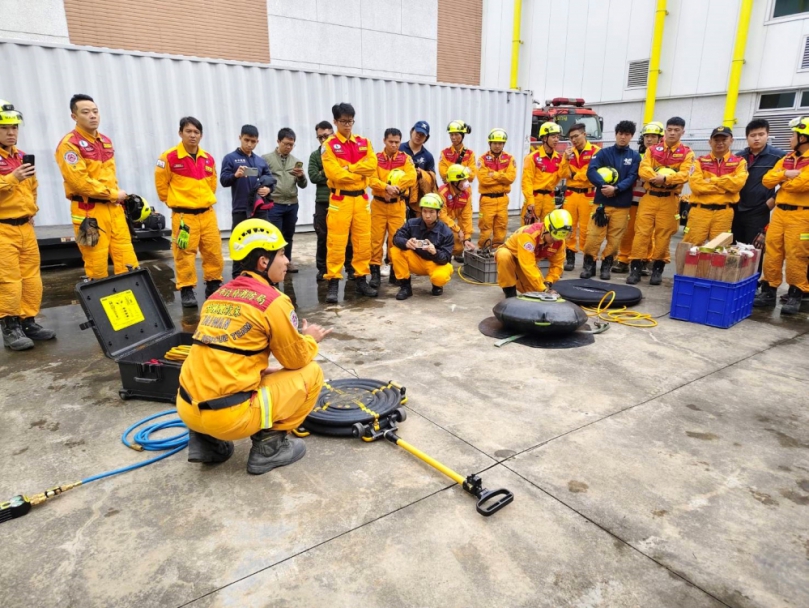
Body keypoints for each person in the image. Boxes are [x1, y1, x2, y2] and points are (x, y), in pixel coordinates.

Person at [176, 219, 329, 475]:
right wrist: (310, 338)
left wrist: (258, 370)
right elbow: (296, 359)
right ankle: (270, 449)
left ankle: (207, 444)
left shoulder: (215, 297)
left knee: (211, 373)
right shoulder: (273, 301)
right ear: (263, 262)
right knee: (312, 373)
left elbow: (223, 354)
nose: (287, 261)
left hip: (186, 409)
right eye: (282, 254)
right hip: (229, 418)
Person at [55, 94, 138, 280]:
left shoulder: (105, 141)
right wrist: (113, 194)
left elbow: (109, 176)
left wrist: (116, 197)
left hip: (114, 209)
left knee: (127, 259)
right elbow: (80, 183)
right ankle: (100, 296)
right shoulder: (69, 144)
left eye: (95, 111)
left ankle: (131, 295)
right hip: (89, 211)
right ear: (74, 116)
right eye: (85, 112)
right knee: (96, 263)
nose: (92, 115)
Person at [0, 100, 55, 351]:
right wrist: (12, 178)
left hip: (25, 228)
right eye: (4, 128)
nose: (11, 132)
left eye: (14, 127)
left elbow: (33, 187)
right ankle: (10, 327)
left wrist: (32, 210)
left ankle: (28, 321)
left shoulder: (21, 157)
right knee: (8, 280)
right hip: (3, 229)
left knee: (32, 278)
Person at [155, 116, 224, 308]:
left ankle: (213, 284)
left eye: (196, 132)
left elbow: (212, 185)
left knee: (213, 251)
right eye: (188, 131)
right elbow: (161, 186)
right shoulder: (168, 158)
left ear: (201, 135)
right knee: (184, 253)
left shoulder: (208, 158)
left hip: (207, 214)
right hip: (184, 217)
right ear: (180, 133)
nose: (193, 135)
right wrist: (176, 203)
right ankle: (186, 289)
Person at [321, 102, 379, 303]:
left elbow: (372, 166)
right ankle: (333, 281)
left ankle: (361, 278)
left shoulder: (364, 142)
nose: (347, 125)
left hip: (361, 199)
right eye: (343, 121)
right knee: (336, 242)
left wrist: (350, 168)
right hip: (340, 199)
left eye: (350, 121)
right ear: (335, 121)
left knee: (363, 241)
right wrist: (359, 173)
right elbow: (334, 174)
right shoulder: (329, 145)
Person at [628, 116, 695, 286]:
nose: (672, 133)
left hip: (670, 199)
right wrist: (656, 178)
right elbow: (643, 169)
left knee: (663, 235)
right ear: (665, 131)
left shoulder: (687, 153)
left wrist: (665, 179)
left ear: (682, 132)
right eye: (670, 129)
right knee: (641, 233)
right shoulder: (652, 150)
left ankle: (657, 269)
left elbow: (685, 174)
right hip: (649, 197)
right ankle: (635, 268)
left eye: (676, 130)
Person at [753, 116, 809, 315]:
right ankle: (769, 290)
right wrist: (785, 175)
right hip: (779, 213)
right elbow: (767, 180)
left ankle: (796, 293)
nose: (789, 139)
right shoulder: (787, 159)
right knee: (772, 251)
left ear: (803, 137)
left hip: (801, 216)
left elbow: (802, 184)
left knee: (796, 254)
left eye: (793, 135)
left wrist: (783, 181)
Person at [582, 121, 641, 280]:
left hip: (622, 205)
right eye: (620, 133)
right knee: (593, 235)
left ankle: (606, 266)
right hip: (601, 203)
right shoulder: (603, 153)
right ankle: (589, 265)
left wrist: (616, 189)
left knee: (615, 239)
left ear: (631, 136)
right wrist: (603, 186)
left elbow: (632, 177)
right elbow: (591, 171)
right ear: (616, 134)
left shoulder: (634, 156)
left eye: (627, 134)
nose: (623, 137)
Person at [220, 125, 275, 279]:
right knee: (240, 244)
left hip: (259, 209)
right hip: (241, 209)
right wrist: (235, 175)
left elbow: (270, 180)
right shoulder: (230, 158)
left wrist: (268, 189)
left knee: (262, 243)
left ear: (257, 141)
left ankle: (260, 276)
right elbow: (223, 180)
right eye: (246, 140)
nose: (249, 144)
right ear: (240, 138)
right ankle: (238, 277)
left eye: (253, 141)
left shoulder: (260, 161)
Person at [613, 122, 664, 274]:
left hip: (650, 200)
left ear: (660, 138)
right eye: (647, 136)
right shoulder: (635, 156)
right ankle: (623, 259)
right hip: (632, 199)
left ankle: (645, 260)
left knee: (647, 233)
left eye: (653, 136)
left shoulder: (662, 159)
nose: (649, 139)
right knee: (628, 231)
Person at [684, 126, 748, 245]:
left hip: (724, 213)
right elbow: (696, 186)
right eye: (716, 140)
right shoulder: (699, 161)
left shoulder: (739, 162)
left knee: (719, 248)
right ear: (710, 142)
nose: (720, 143)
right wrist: (725, 187)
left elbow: (737, 185)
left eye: (724, 139)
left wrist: (712, 180)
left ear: (731, 140)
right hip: (699, 212)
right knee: (691, 247)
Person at [369, 128, 417, 289]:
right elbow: (370, 178)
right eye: (391, 142)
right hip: (378, 205)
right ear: (384, 141)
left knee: (395, 240)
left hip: (397, 205)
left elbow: (411, 177)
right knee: (375, 240)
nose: (394, 145)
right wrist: (385, 187)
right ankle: (375, 272)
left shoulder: (405, 158)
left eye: (397, 142)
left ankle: (394, 272)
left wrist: (396, 188)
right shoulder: (375, 158)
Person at [734, 119, 785, 265]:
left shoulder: (778, 157)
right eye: (753, 135)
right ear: (747, 137)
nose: (757, 138)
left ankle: (753, 278)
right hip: (736, 209)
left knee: (754, 251)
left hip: (759, 211)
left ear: (767, 134)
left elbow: (787, 184)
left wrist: (770, 203)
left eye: (761, 134)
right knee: (734, 250)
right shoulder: (738, 157)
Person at [309, 121, 353, 282]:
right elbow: (313, 176)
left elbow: (347, 173)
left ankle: (350, 267)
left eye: (326, 136)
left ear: (333, 134)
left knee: (347, 236)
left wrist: (329, 172)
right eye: (320, 137)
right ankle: (323, 269)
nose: (323, 139)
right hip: (323, 201)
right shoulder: (315, 155)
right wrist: (333, 172)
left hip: (342, 199)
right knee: (323, 236)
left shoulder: (342, 152)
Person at [496, 208, 573, 298]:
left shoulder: (559, 241)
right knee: (504, 256)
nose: (556, 240)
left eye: (560, 236)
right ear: (547, 228)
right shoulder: (529, 235)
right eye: (554, 236)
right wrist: (543, 288)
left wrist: (549, 281)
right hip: (513, 256)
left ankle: (517, 279)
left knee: (536, 293)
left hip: (528, 261)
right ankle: (509, 292)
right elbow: (528, 265)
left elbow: (557, 264)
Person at [390, 193, 455, 300]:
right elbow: (396, 238)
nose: (427, 215)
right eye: (424, 211)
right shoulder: (412, 223)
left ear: (438, 213)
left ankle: (437, 285)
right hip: (417, 261)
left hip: (435, 263)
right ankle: (405, 286)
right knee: (396, 250)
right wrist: (406, 242)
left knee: (440, 277)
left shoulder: (446, 232)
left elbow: (446, 259)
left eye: (431, 212)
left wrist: (435, 252)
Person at [262, 128, 307, 273]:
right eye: (286, 144)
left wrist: (301, 176)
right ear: (278, 141)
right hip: (274, 203)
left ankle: (287, 262)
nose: (288, 147)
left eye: (291, 145)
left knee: (288, 235)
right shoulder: (266, 159)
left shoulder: (295, 161)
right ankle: (272, 263)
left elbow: (303, 185)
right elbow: (260, 179)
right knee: (274, 236)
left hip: (292, 204)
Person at [559, 123, 600, 270]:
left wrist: (574, 174)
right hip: (571, 194)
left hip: (588, 195)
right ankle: (569, 257)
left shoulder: (596, 151)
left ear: (584, 134)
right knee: (568, 226)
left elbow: (591, 173)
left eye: (576, 136)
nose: (574, 140)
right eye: (571, 138)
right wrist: (565, 159)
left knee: (586, 228)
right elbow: (562, 173)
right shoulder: (569, 153)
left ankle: (588, 259)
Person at [477, 128, 516, 249]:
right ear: (490, 143)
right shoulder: (482, 159)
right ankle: (483, 251)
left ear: (503, 144)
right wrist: (502, 178)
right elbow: (483, 180)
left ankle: (496, 251)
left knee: (501, 227)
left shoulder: (510, 158)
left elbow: (511, 178)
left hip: (503, 199)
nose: (497, 146)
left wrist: (494, 174)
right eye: (495, 143)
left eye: (500, 143)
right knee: (485, 229)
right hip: (487, 200)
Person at [521, 122, 564, 224]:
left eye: (558, 137)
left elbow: (563, 175)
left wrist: (566, 160)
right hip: (535, 198)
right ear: (544, 138)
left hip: (550, 198)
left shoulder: (559, 158)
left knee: (548, 227)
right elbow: (527, 181)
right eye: (553, 137)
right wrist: (530, 201)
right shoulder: (532, 157)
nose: (556, 140)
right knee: (529, 229)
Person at [401, 120, 439, 219]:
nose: (418, 136)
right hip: (399, 194)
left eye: (422, 135)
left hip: (417, 199)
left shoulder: (428, 156)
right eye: (417, 132)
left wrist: (421, 174)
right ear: (412, 131)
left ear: (426, 137)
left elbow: (432, 179)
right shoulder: (400, 148)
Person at [438, 163, 475, 262]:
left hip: (451, 224)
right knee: (443, 243)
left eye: (466, 179)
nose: (466, 182)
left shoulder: (466, 194)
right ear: (455, 182)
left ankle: (452, 256)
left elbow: (467, 217)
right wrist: (458, 230)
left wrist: (467, 238)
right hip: (438, 224)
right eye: (463, 180)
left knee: (458, 248)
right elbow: (442, 216)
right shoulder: (443, 192)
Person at [438, 120, 476, 184]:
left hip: (465, 189)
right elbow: (443, 175)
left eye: (456, 134)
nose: (453, 137)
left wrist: (451, 174)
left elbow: (471, 176)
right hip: (449, 189)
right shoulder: (444, 153)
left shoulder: (470, 153)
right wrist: (464, 172)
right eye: (451, 134)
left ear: (462, 135)